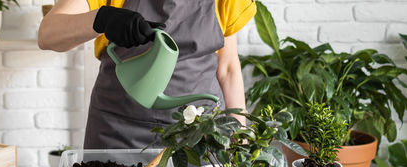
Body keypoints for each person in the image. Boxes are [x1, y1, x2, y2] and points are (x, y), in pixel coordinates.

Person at [39, 0, 256, 150]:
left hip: (198, 135)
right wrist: (102, 18)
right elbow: (48, 34)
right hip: (117, 131)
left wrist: (240, 138)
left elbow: (227, 68)